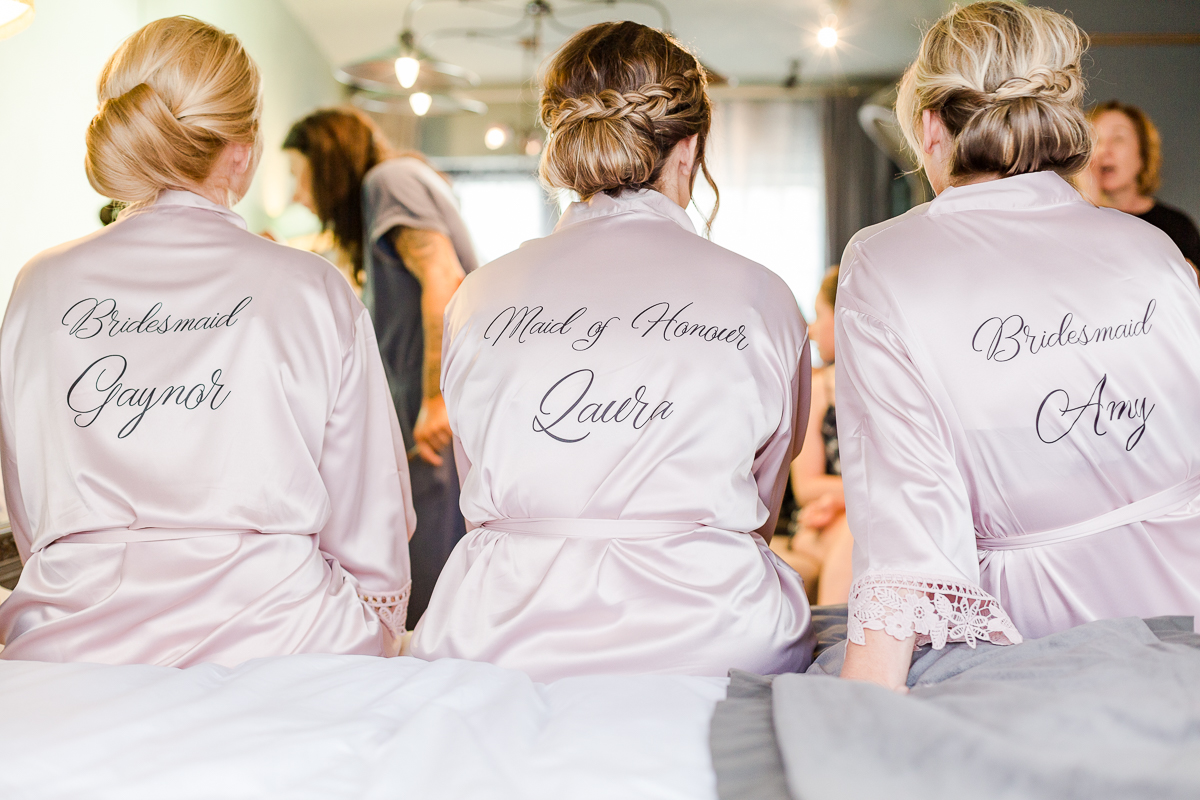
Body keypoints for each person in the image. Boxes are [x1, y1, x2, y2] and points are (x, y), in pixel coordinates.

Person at [0, 17, 414, 667]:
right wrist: (378, 633)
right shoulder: (312, 288)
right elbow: (370, 515)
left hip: (71, 647)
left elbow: (31, 508)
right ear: (243, 148)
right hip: (287, 642)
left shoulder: (38, 287)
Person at [408, 21, 814, 682]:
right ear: (689, 148)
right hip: (715, 634)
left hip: (499, 637)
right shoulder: (764, 297)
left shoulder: (477, 297)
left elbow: (480, 488)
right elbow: (762, 508)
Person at [835, 0, 1200, 691]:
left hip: (1031, 646)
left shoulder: (884, 263)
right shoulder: (1153, 252)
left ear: (930, 126)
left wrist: (864, 706)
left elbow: (905, 530)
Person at [283, 110, 477, 628]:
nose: (298, 195)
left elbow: (445, 278)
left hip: (432, 413)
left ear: (327, 162)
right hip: (422, 409)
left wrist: (435, 400)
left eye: (299, 175)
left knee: (431, 588)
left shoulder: (386, 181)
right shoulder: (387, 192)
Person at [772, 267, 854, 605]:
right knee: (855, 529)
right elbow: (807, 489)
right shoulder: (819, 389)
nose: (813, 329)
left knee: (862, 525)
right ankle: (843, 646)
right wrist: (859, 495)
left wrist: (846, 498)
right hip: (819, 519)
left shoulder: (889, 388)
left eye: (820, 315)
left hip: (858, 510)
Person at [1085, 101, 1200, 268]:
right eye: (1096, 140)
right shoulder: (1074, 222)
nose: (1104, 150)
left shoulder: (1178, 227)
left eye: (1118, 138)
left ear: (1142, 155)